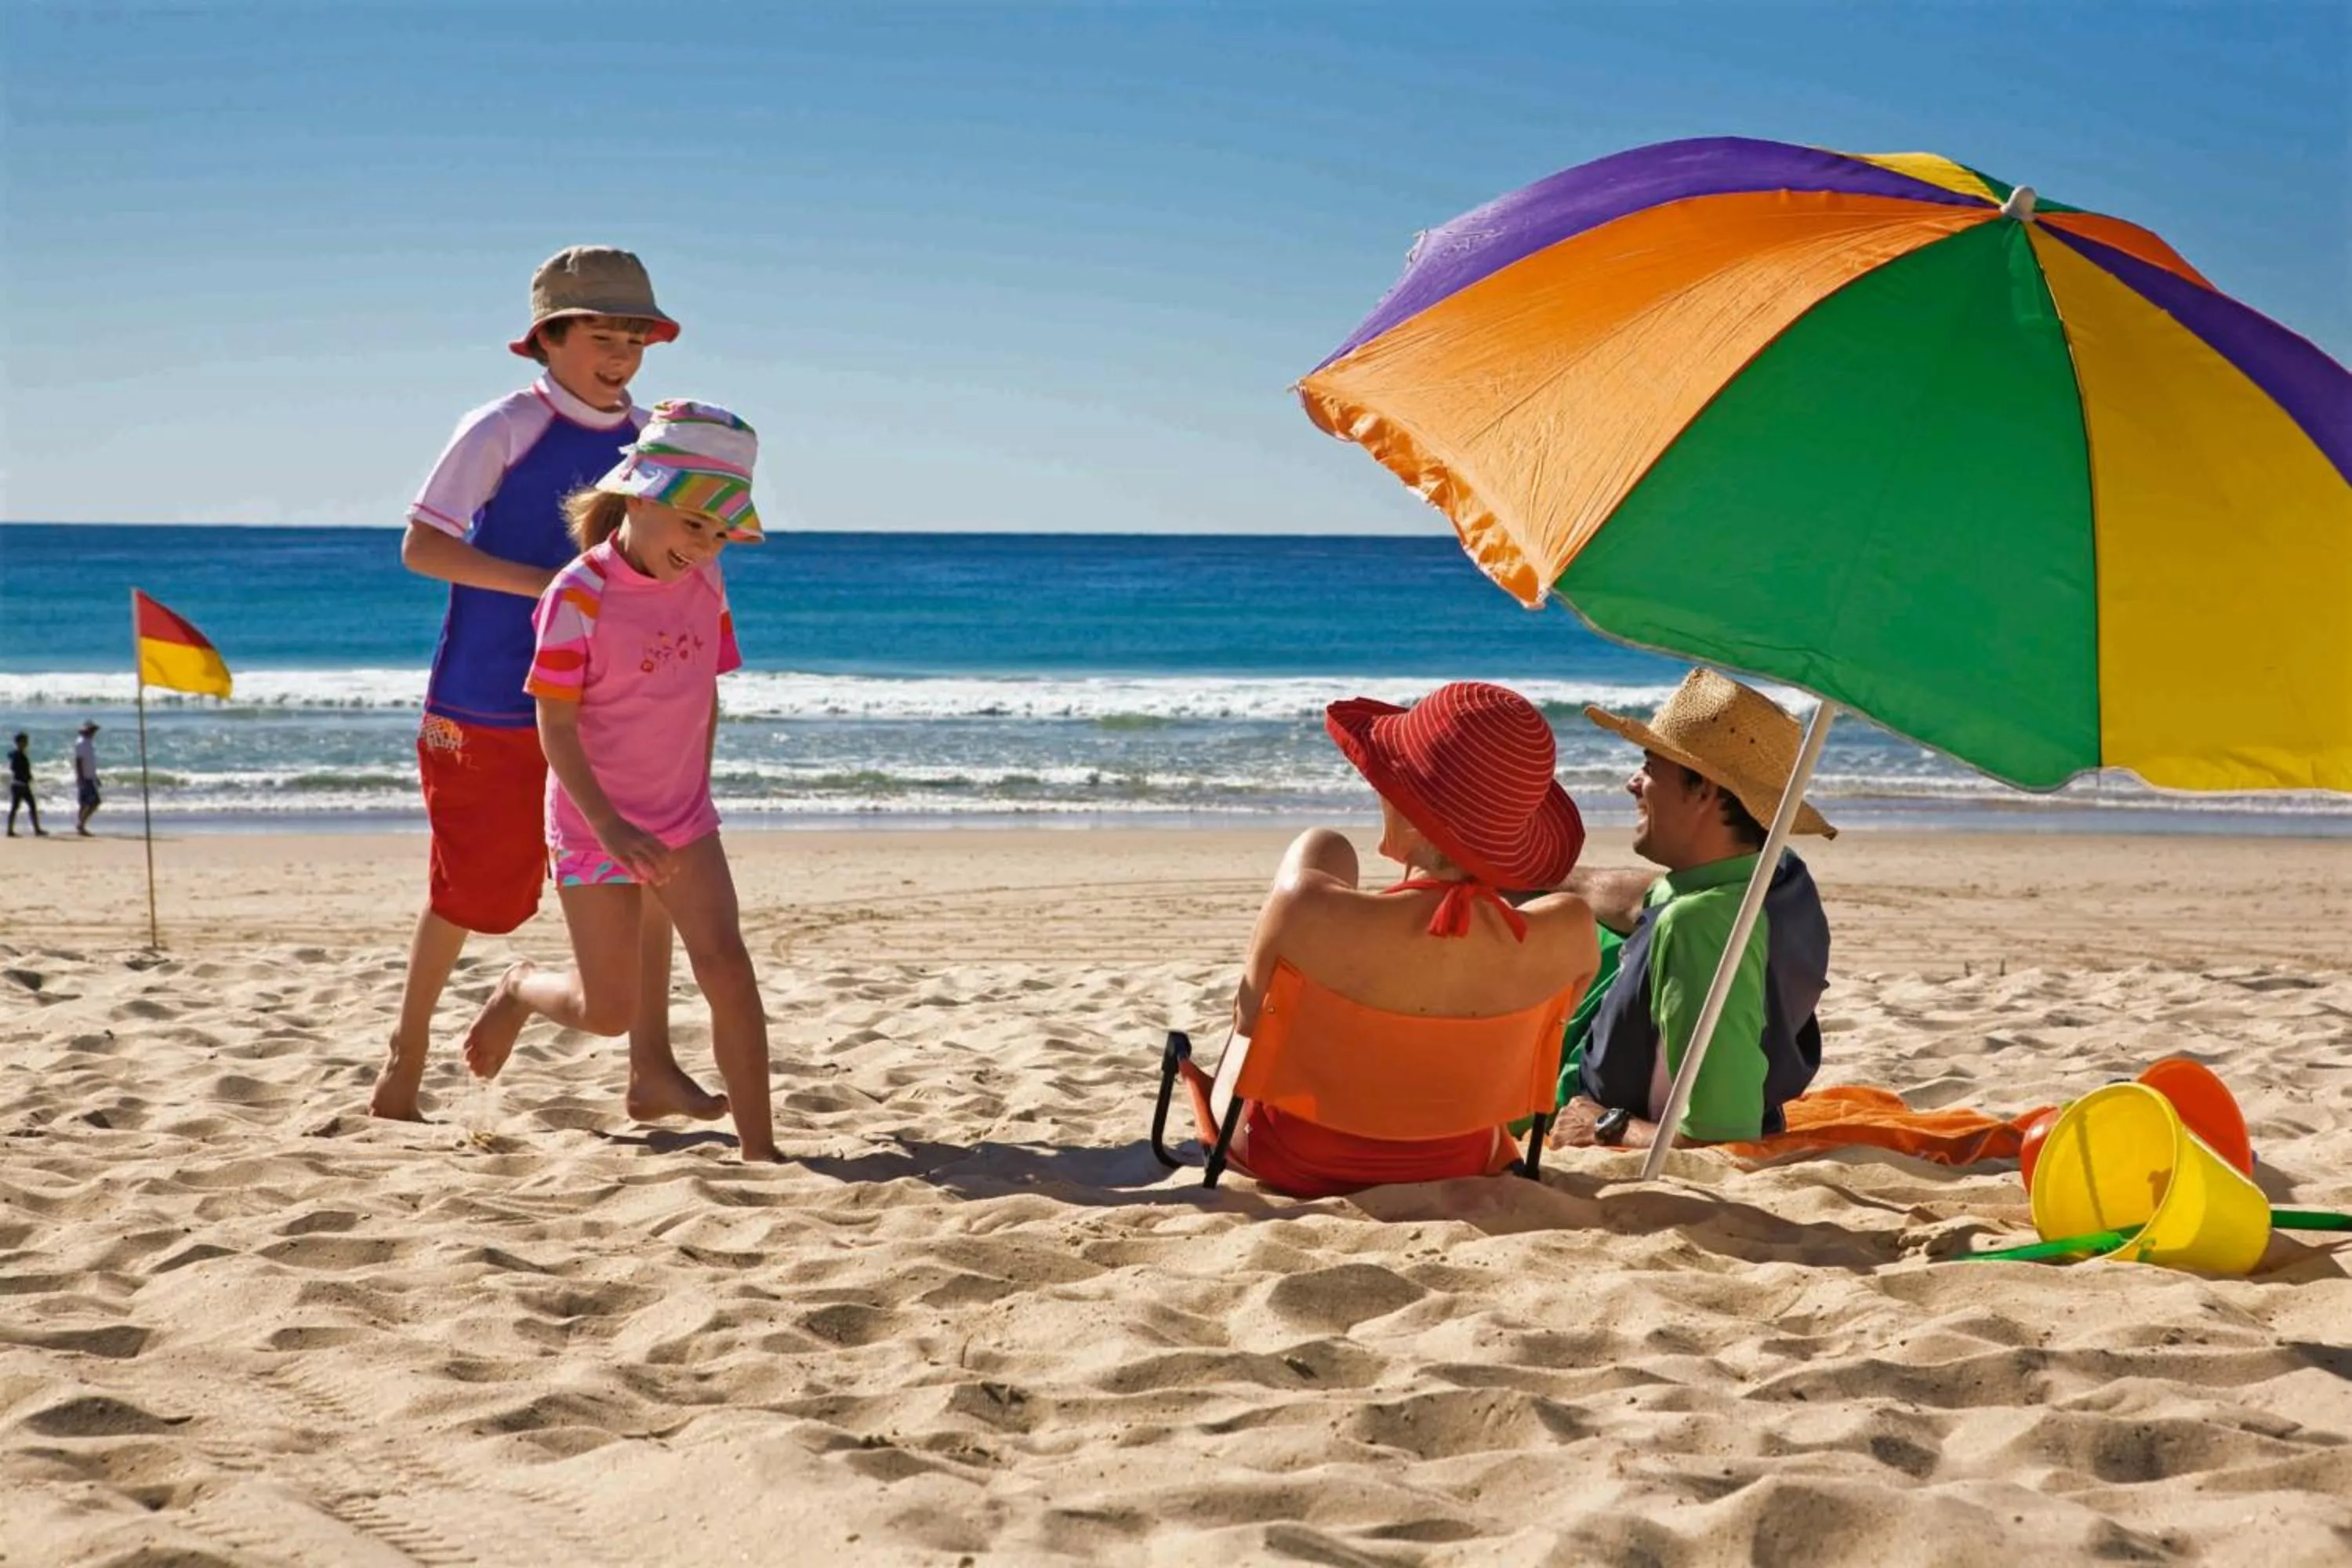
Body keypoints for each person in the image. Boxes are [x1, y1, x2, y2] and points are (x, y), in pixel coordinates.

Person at [371, 246, 724, 1126]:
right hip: (484, 696)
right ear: (549, 338)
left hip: (604, 705)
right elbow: (422, 546)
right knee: (473, 893)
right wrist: (556, 588)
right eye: (602, 336)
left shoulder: (649, 440)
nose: (620, 355)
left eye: (635, 339)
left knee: (639, 872)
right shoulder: (501, 426)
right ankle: (402, 1068)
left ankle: (652, 1070)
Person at [461, 401, 781, 1164]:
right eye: (689, 523)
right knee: (606, 1010)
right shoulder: (578, 595)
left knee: (727, 966)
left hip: (682, 816)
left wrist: (693, 790)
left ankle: (762, 1148)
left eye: (718, 530)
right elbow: (556, 725)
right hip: (591, 824)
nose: (702, 546)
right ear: (640, 494)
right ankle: (519, 988)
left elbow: (704, 690)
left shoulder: (708, 583)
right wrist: (609, 825)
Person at [1180, 681, 1600, 1195]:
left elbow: (1247, 1024)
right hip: (1464, 1155)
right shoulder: (1569, 931)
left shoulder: (1305, 906)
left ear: (1406, 806)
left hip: (1292, 1154)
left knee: (1322, 846)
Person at [1550, 668, 1833, 1151]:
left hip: (1576, 1100)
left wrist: (1603, 1127)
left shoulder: (1701, 930)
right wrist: (1521, 873)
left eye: (1650, 766)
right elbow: (1637, 897)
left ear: (1703, 789)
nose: (1632, 783)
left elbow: (1722, 1134)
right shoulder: (1776, 875)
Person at [8, 733, 46, 837]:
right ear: (19, 743)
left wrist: (29, 777)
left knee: (29, 806)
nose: (26, 744)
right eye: (24, 742)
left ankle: (36, 829)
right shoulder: (17, 755)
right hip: (19, 785)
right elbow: (14, 768)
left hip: (22, 784)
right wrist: (25, 775)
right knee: (18, 807)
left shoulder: (20, 754)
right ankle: (11, 830)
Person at [71, 721, 102, 837]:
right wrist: (81, 777)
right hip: (85, 778)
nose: (94, 733)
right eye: (92, 731)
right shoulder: (81, 743)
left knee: (84, 804)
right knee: (95, 802)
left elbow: (90, 762)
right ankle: (81, 825)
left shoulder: (88, 743)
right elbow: (79, 761)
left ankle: (81, 825)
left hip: (89, 777)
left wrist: (95, 776)